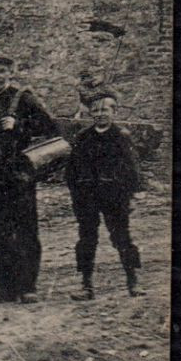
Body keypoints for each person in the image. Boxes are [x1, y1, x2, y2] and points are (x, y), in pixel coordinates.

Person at [0, 53, 59, 305]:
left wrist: (18, 126)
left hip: (18, 176)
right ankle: (3, 287)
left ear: (10, 72)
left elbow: (51, 129)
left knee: (25, 229)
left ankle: (27, 286)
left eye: (1, 71)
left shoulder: (24, 100)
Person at [62, 87, 143, 300]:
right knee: (86, 239)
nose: (99, 114)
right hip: (87, 198)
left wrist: (130, 196)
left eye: (105, 110)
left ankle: (132, 281)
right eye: (95, 110)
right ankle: (86, 285)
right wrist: (76, 194)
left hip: (114, 197)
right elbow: (71, 170)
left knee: (122, 237)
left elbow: (132, 169)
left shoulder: (121, 136)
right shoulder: (83, 137)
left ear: (114, 111)